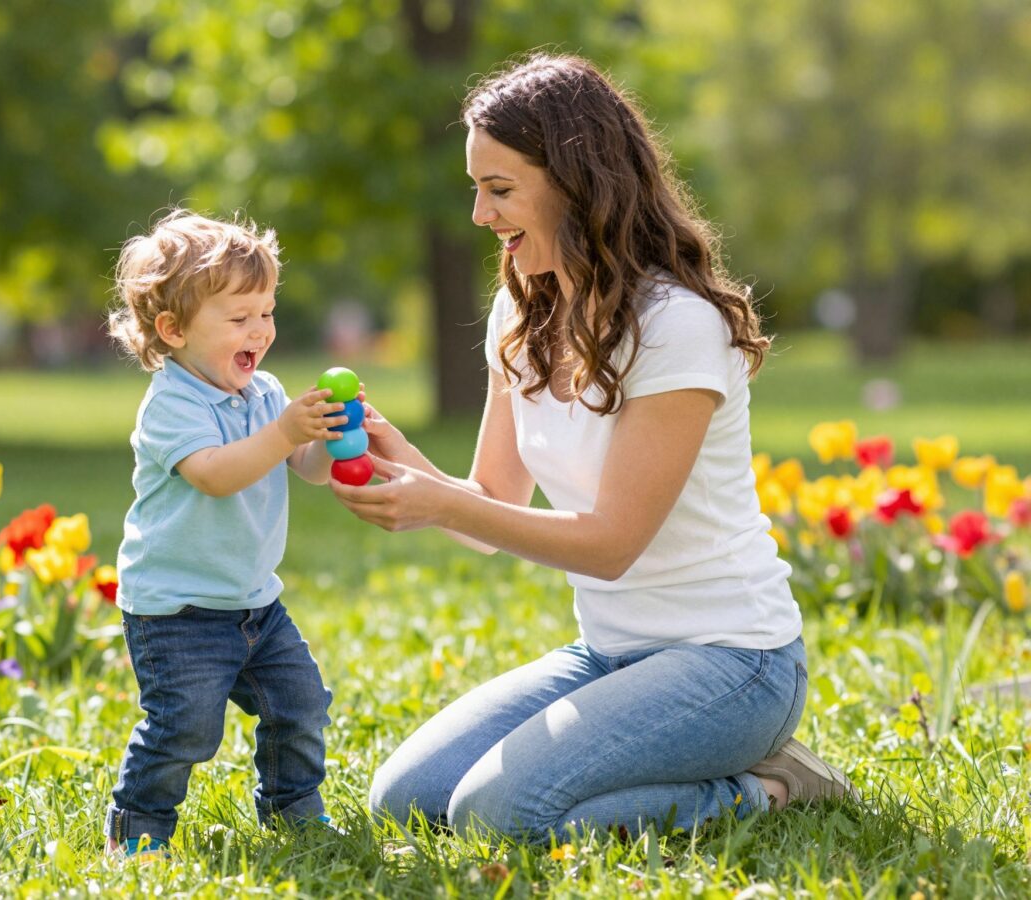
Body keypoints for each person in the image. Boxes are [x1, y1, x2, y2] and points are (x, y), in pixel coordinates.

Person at [330, 54, 857, 844]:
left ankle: (767, 786)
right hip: (610, 655)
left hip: (732, 664)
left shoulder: (678, 325)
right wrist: (399, 456)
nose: (479, 215)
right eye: (476, 188)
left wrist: (436, 502)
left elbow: (611, 546)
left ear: (577, 183)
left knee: (493, 814)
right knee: (405, 798)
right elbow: (490, 507)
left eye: (500, 190)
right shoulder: (522, 315)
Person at [104, 210, 348, 857]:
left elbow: (308, 471)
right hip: (177, 612)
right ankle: (139, 828)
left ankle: (294, 809)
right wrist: (285, 433)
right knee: (184, 728)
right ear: (173, 329)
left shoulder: (263, 392)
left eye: (266, 313)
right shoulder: (172, 404)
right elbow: (214, 475)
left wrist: (331, 437)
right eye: (239, 318)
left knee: (300, 705)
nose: (260, 331)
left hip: (254, 604)